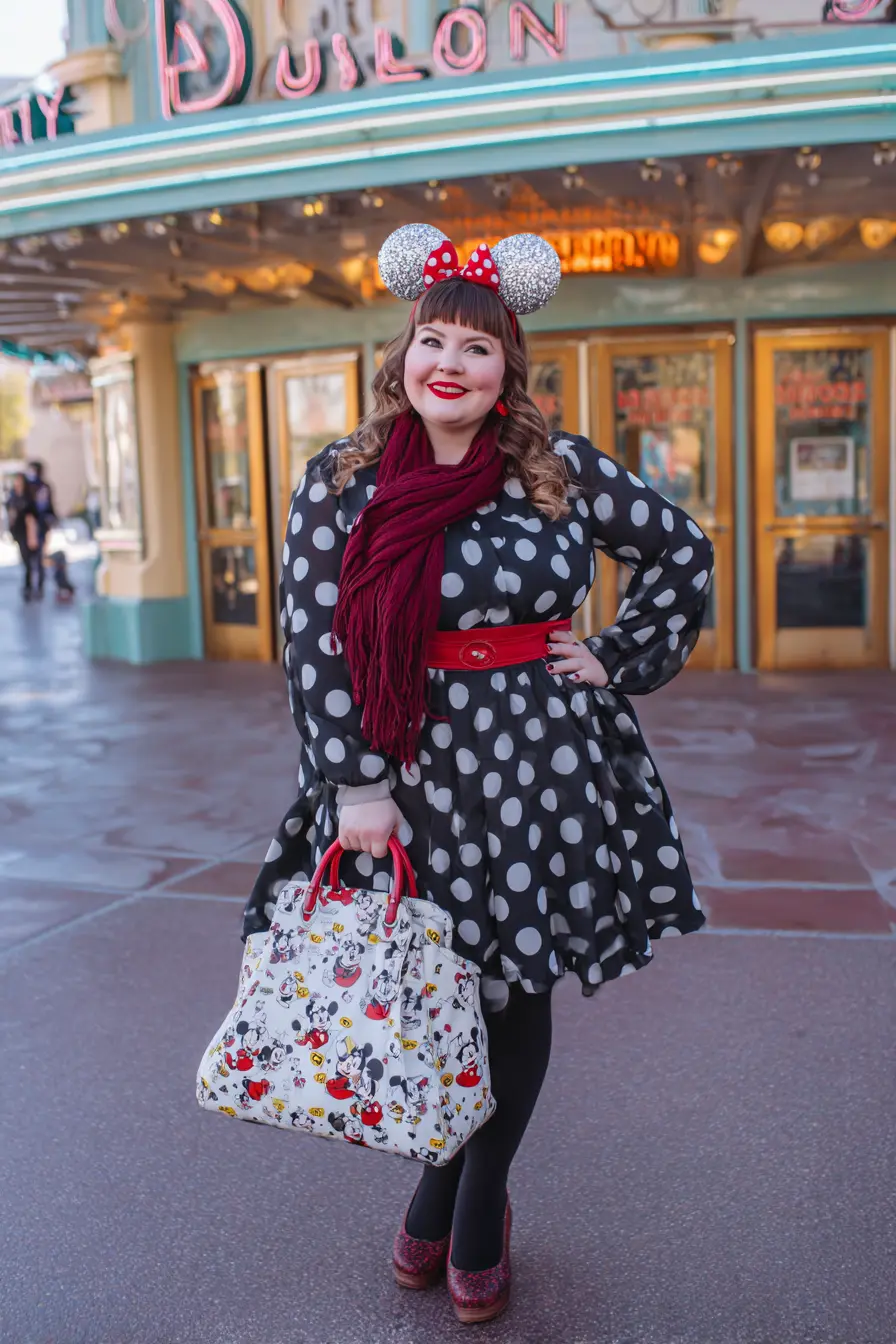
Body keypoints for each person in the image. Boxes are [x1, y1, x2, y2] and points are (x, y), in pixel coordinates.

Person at [243, 226, 713, 1324]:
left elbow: (679, 551)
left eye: (475, 347)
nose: (447, 362)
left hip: (542, 768)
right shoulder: (344, 482)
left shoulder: (555, 470)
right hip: (408, 775)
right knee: (430, 987)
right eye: (431, 340)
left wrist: (613, 655)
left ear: (509, 370)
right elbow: (312, 639)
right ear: (402, 354)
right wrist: (354, 781)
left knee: (516, 990)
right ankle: (445, 1185)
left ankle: (471, 1195)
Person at [5, 471, 42, 601]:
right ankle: (28, 586)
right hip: (19, 533)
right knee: (26, 560)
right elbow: (10, 514)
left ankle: (32, 586)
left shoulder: (28, 498)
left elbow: (34, 515)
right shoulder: (13, 498)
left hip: (29, 533)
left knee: (32, 561)